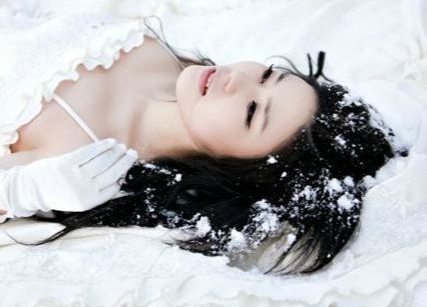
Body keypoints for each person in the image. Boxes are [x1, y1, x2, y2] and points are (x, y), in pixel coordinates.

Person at [2, 17, 408, 276]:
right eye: (267, 76)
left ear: (234, 168)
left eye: (252, 111)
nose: (236, 80)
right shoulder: (169, 61)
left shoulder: (83, 159)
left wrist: (24, 190)